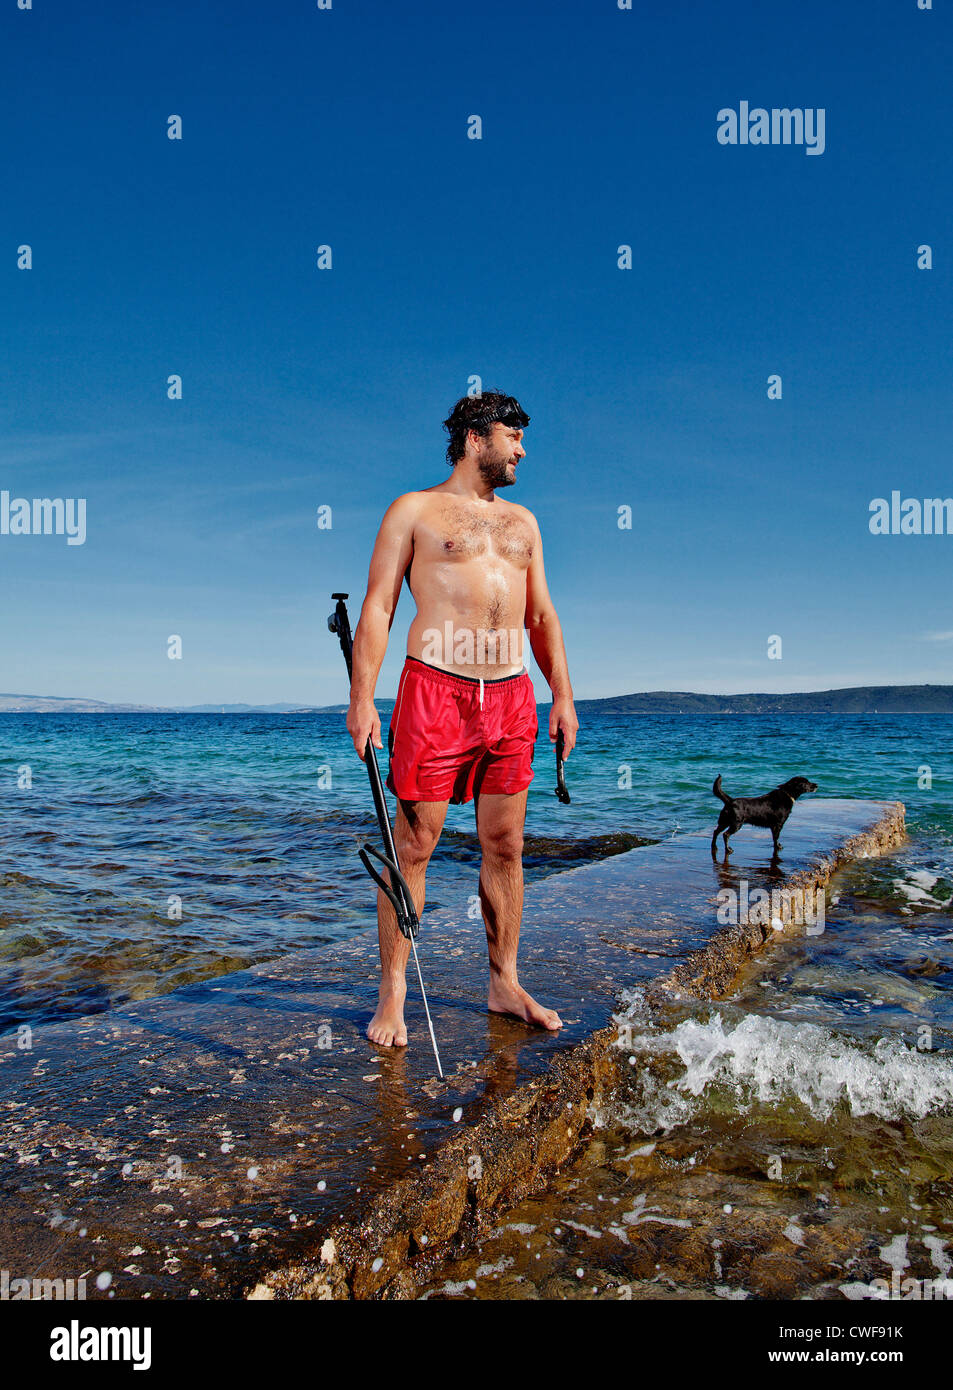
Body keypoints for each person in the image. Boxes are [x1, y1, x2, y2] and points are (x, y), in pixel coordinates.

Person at [345, 392, 578, 1047]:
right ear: (477, 438)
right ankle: (392, 996)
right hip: (434, 692)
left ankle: (503, 981)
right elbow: (379, 607)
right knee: (413, 844)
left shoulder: (525, 524)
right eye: (513, 436)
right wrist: (363, 697)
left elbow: (542, 616)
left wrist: (560, 694)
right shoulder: (413, 511)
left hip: (510, 697)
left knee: (505, 846)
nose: (522, 450)